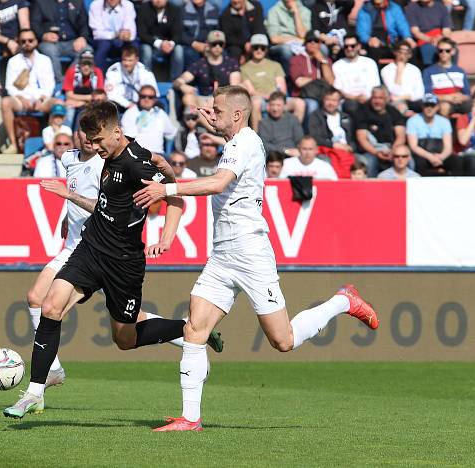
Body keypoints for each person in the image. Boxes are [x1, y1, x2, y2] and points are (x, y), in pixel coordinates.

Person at [132, 85, 378, 432]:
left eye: (216, 110)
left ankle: (342, 300)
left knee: (283, 340)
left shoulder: (244, 143)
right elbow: (225, 148)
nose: (210, 114)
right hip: (222, 253)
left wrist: (167, 189)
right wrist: (214, 127)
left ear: (237, 114)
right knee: (195, 328)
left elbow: (218, 184)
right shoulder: (237, 141)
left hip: (249, 251)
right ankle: (190, 418)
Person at [11, 130, 220, 415]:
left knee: (125, 338)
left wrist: (167, 236)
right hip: (86, 248)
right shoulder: (73, 158)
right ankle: (37, 389)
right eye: (86, 137)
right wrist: (66, 212)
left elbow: (174, 196)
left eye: (97, 139)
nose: (93, 145)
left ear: (113, 134)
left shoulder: (133, 162)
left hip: (122, 260)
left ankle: (191, 330)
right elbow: (100, 199)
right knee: (45, 302)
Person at [0, 29, 57, 154]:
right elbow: (10, 86)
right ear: (19, 43)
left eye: (30, 40)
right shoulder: (13, 61)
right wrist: (21, 98)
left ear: (36, 42)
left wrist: (41, 98)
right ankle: (13, 144)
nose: (27, 43)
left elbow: (50, 85)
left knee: (58, 104)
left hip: (41, 100)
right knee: (5, 102)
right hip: (21, 99)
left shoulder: (45, 60)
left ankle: (54, 142)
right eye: (23, 41)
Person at [173, 30, 240, 129]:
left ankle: (216, 128)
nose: (217, 47)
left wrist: (217, 99)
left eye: (220, 44)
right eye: (214, 44)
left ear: (224, 45)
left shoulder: (231, 63)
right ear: (208, 45)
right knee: (188, 98)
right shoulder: (200, 64)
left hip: (225, 100)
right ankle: (212, 128)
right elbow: (178, 81)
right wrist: (182, 85)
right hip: (202, 101)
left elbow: (235, 88)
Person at [241, 34, 305, 130]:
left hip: (277, 98)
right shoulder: (244, 68)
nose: (259, 50)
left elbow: (282, 88)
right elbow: (251, 91)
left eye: (262, 48)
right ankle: (259, 137)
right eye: (256, 47)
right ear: (251, 49)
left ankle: (292, 134)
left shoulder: (275, 65)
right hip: (261, 100)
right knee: (256, 102)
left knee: (300, 103)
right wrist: (268, 97)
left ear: (266, 49)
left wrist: (276, 100)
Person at [406, 93, 475, 176]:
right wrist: (430, 157)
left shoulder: (444, 122)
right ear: (422, 106)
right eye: (426, 105)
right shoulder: (413, 121)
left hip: (440, 154)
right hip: (422, 154)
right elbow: (413, 146)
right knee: (419, 163)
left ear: (437, 107)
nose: (429, 108)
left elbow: (448, 146)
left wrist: (441, 157)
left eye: (432, 105)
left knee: (457, 161)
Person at [32, 0, 91, 83]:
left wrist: (82, 37)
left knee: (87, 50)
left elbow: (84, 23)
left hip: (72, 42)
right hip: (50, 43)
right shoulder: (40, 2)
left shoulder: (77, 2)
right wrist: (43, 35)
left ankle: (69, 81)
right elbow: (34, 24)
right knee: (49, 50)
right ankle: (59, 82)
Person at [0, 0, 30, 97]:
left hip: (16, 39)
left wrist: (20, 41)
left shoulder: (19, 2)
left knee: (27, 42)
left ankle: (23, 84)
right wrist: (8, 41)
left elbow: (25, 26)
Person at [354, 85, 406, 177]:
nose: (377, 101)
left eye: (380, 98)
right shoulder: (362, 111)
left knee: (408, 160)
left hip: (391, 148)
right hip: (371, 150)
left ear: (386, 99)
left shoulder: (393, 112)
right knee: (369, 161)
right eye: (375, 98)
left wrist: (393, 152)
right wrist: (376, 153)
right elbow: (362, 138)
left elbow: (401, 136)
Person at [120, 84, 177, 156]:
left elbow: (171, 133)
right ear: (138, 97)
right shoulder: (130, 113)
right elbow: (128, 139)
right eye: (143, 96)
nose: (146, 99)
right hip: (138, 155)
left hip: (158, 155)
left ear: (155, 99)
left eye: (150, 97)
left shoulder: (160, 113)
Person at [288, 32, 334, 118]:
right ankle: (310, 131)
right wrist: (318, 80)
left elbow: (330, 81)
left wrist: (322, 61)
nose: (313, 43)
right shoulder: (296, 59)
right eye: (310, 40)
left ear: (320, 44)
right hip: (303, 95)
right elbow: (299, 82)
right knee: (313, 105)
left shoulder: (326, 60)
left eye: (316, 41)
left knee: (334, 103)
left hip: (323, 95)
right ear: (305, 43)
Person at [331, 34, 380, 114]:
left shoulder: (370, 63)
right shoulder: (337, 65)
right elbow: (338, 89)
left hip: (369, 99)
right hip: (348, 101)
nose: (349, 49)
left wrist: (367, 98)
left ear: (359, 46)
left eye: (352, 46)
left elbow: (375, 86)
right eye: (346, 46)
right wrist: (355, 97)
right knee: (353, 106)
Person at [421, 38, 470, 118]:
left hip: (460, 102)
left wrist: (461, 97)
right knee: (445, 107)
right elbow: (427, 95)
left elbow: (467, 93)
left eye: (447, 50)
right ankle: (446, 130)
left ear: (453, 51)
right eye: (441, 50)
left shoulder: (460, 71)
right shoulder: (428, 71)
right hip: (441, 102)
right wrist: (446, 97)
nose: (444, 53)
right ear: (437, 51)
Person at [137, 0, 184, 81]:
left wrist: (171, 44)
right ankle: (146, 81)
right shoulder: (144, 8)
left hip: (168, 45)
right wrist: (159, 43)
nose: (158, 1)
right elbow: (141, 33)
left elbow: (178, 33)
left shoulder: (174, 9)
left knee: (179, 49)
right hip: (150, 43)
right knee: (146, 50)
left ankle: (175, 83)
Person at [104, 44, 158, 113]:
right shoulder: (114, 70)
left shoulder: (145, 71)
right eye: (124, 60)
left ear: (136, 60)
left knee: (157, 106)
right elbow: (110, 94)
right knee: (109, 106)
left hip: (140, 103)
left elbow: (152, 92)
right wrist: (128, 104)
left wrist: (140, 104)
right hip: (121, 103)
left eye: (130, 60)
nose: (127, 63)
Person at [88, 0, 137, 71]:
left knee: (134, 45)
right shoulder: (95, 5)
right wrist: (115, 35)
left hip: (121, 40)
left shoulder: (128, 5)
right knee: (104, 45)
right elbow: (97, 34)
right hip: (102, 40)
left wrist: (127, 35)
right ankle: (100, 77)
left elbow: (131, 30)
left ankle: (134, 77)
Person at [264, 0, 312, 72]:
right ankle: (291, 78)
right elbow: (274, 39)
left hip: (301, 43)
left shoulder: (305, 11)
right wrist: (296, 39)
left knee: (322, 48)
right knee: (287, 50)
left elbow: (303, 35)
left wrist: (296, 13)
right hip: (281, 45)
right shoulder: (273, 11)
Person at [62, 51, 105, 128]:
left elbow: (99, 98)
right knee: (69, 109)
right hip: (74, 102)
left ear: (93, 65)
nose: (86, 67)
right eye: (84, 64)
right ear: (79, 64)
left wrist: (81, 103)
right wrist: (89, 98)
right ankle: (66, 134)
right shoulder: (72, 71)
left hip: (91, 104)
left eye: (89, 64)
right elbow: (68, 95)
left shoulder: (97, 72)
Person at [379, 41, 423, 115]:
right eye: (400, 52)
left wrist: (404, 97)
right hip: (396, 103)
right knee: (401, 106)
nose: (402, 56)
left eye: (406, 53)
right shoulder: (386, 70)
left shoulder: (415, 70)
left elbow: (420, 93)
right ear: (395, 52)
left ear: (410, 55)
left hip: (413, 101)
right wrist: (399, 72)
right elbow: (394, 92)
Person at [307, 87, 354, 154]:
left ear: (339, 102)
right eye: (328, 100)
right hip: (328, 151)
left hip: (347, 150)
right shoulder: (316, 116)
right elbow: (315, 137)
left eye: (334, 100)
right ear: (323, 100)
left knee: (363, 161)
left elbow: (353, 138)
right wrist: (333, 145)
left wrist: (351, 147)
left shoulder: (346, 117)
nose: (331, 103)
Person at [404, 0, 451, 66]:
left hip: (440, 38)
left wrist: (442, 39)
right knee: (428, 49)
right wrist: (430, 39)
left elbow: (447, 29)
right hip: (423, 40)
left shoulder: (441, 6)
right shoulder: (412, 8)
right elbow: (415, 32)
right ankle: (429, 73)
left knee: (451, 48)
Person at [258, 90, 303, 157]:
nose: (275, 108)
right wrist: (285, 151)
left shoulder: (293, 119)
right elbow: (265, 145)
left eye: (278, 105)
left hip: (293, 155)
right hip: (274, 156)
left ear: (284, 106)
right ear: (269, 106)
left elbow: (299, 139)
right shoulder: (264, 123)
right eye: (272, 105)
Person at [181, 0, 220, 66]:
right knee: (190, 54)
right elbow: (179, 32)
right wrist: (193, 43)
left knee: (221, 53)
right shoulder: (183, 10)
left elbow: (217, 30)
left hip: (209, 44)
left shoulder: (213, 9)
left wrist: (210, 43)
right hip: (190, 45)